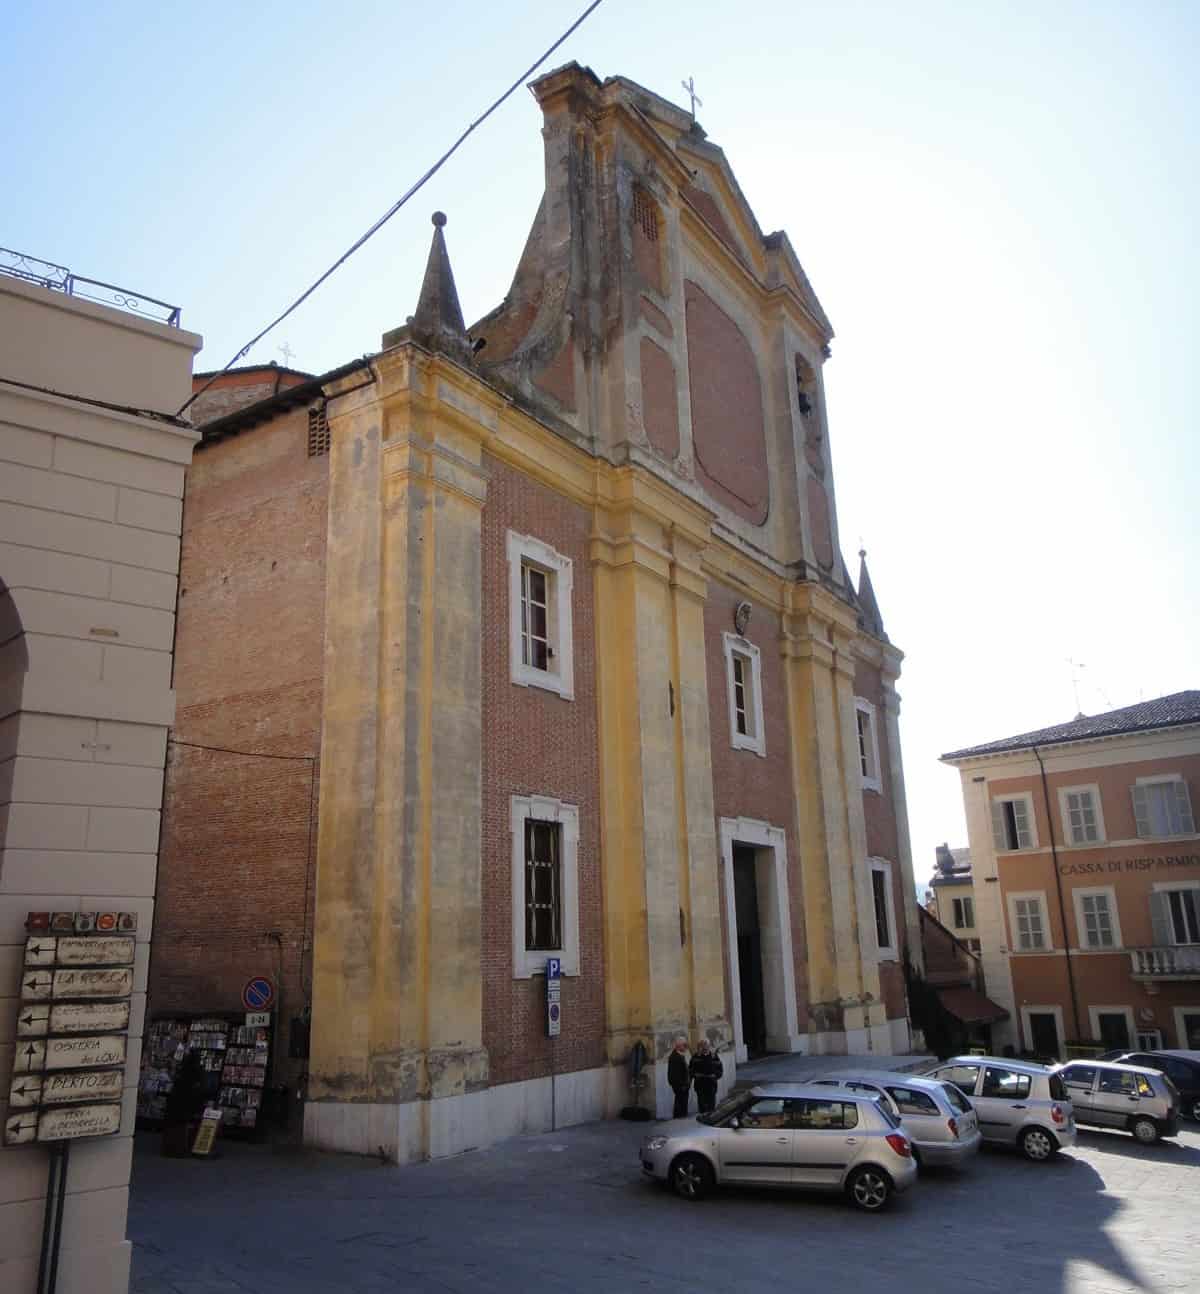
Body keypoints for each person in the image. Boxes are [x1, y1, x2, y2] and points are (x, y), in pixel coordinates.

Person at [689, 1038, 723, 1114]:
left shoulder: (714, 1056)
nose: (704, 1047)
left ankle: (711, 1122)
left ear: (709, 1046)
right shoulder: (695, 1057)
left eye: (706, 1045)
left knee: (711, 1107)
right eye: (702, 1045)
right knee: (702, 1107)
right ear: (700, 1047)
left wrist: (715, 1075)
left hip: (711, 1085)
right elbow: (690, 1070)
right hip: (700, 1085)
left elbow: (720, 1069)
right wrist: (695, 1075)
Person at [667, 1036, 690, 1118]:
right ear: (679, 1046)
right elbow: (674, 1074)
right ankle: (679, 1121)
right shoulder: (674, 1057)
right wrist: (682, 1085)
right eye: (685, 1045)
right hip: (680, 1086)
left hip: (683, 1086)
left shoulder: (680, 1055)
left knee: (682, 1104)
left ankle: (681, 1119)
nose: (686, 1047)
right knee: (680, 1105)